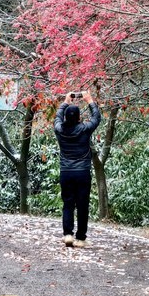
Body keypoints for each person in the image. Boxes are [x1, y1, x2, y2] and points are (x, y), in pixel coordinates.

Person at [54, 90, 101, 248]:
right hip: (82, 173)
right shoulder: (85, 129)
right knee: (82, 205)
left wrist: (65, 102)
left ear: (66, 118)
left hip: (66, 172)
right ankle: (80, 238)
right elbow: (96, 118)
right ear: (79, 117)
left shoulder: (59, 130)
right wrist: (90, 100)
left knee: (68, 203)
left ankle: (68, 234)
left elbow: (57, 117)